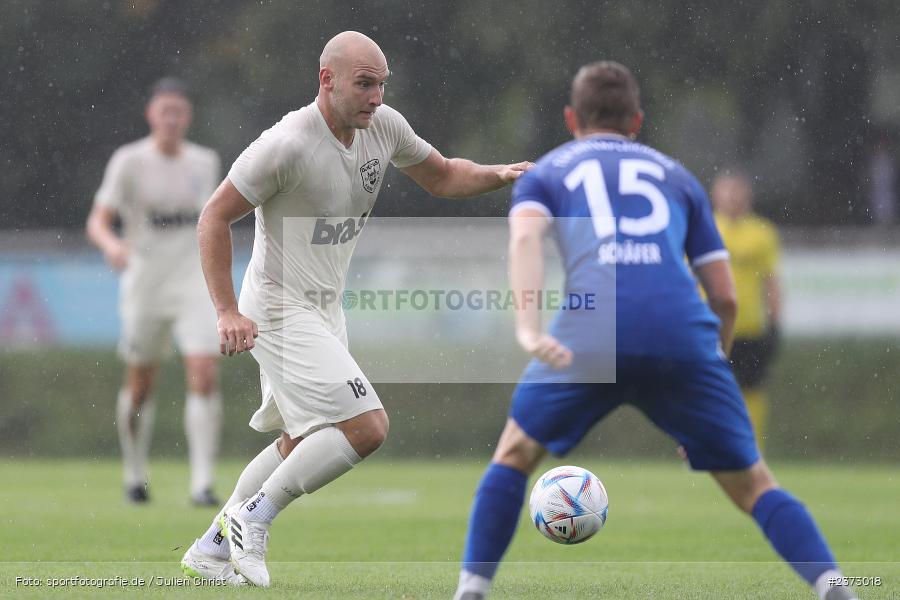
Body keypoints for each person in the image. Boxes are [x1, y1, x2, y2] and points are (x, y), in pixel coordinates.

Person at [452, 61, 856, 600]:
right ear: (636, 120)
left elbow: (525, 243)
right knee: (755, 485)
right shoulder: (677, 176)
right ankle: (838, 587)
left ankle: (471, 591)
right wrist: (708, 373)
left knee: (515, 456)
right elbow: (726, 297)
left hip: (590, 334)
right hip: (682, 337)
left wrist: (527, 328)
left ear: (572, 117)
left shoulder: (549, 169)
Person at [179, 31, 532, 586]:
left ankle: (211, 548)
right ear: (328, 81)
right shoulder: (287, 143)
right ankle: (253, 518)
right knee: (367, 426)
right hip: (275, 306)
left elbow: (441, 176)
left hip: (323, 310)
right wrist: (226, 311)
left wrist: (501, 175)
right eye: (364, 84)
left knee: (302, 441)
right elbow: (213, 217)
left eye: (381, 85)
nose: (376, 97)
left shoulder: (383, 126)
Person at [86, 77, 223, 506]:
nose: (171, 119)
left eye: (178, 111)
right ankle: (135, 472)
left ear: (188, 117)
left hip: (192, 281)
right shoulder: (129, 161)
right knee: (141, 385)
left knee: (203, 372)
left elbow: (213, 220)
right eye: (164, 110)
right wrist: (113, 245)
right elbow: (98, 220)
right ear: (151, 114)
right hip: (145, 281)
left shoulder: (205, 162)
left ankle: (202, 484)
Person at [711, 170, 782, 449]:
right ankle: (712, 448)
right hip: (711, 329)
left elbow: (772, 282)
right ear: (715, 195)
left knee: (751, 390)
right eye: (726, 191)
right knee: (710, 390)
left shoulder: (762, 233)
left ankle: (750, 450)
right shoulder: (705, 228)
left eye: (737, 191)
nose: (732, 197)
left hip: (750, 328)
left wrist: (775, 325)